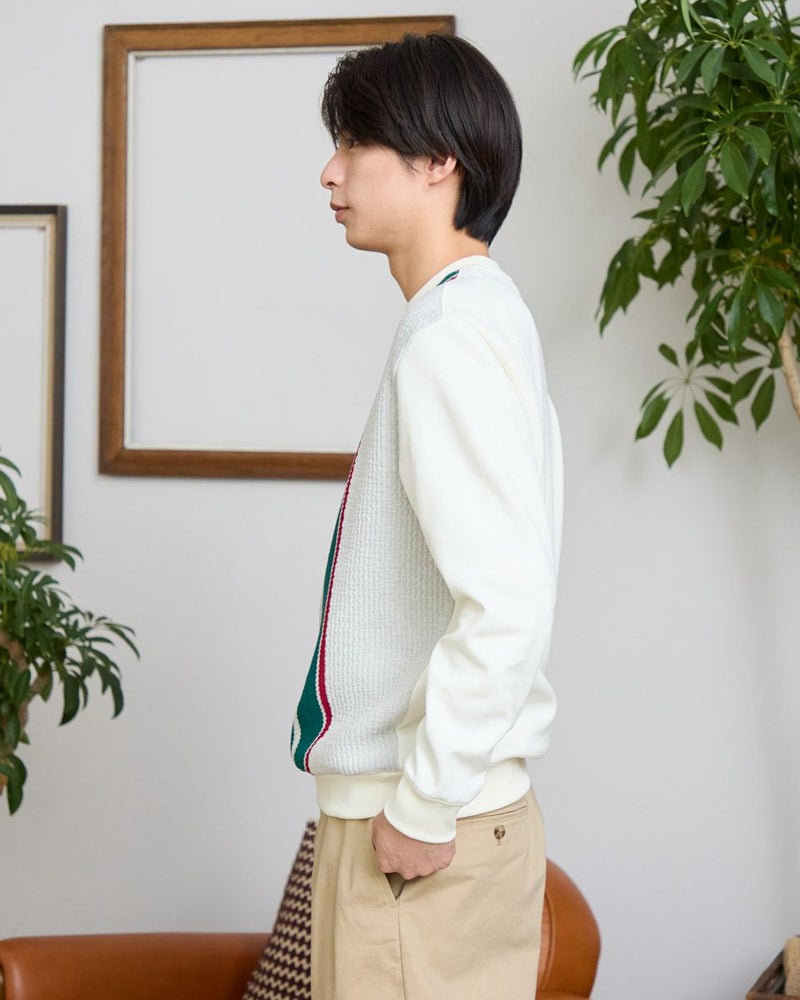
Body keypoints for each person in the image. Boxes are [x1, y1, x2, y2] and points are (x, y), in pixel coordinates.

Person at [290, 31, 563, 1000]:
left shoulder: (451, 336)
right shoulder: (478, 315)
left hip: (422, 833)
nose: (329, 173)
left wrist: (423, 802)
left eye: (353, 143)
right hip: (435, 818)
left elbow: (506, 601)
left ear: (438, 159)